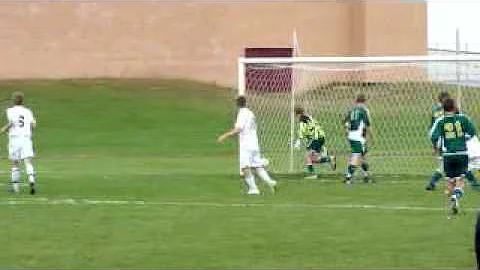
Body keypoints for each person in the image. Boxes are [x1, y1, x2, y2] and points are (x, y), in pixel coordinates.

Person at [217, 96, 277, 195]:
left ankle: (254, 189)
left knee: (245, 167)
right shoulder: (250, 113)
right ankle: (270, 182)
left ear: (237, 104)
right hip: (254, 143)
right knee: (257, 165)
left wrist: (225, 135)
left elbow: (239, 129)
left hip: (246, 145)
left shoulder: (242, 114)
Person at [430, 98, 477, 215]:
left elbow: (433, 136)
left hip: (448, 155)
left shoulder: (440, 121)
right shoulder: (463, 118)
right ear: (454, 107)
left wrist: (436, 148)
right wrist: (463, 139)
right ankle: (455, 198)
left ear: (444, 109)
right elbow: (472, 132)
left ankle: (454, 201)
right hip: (462, 154)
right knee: (460, 180)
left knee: (450, 182)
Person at [1, 91, 37, 195]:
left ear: (13, 100)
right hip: (26, 138)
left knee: (15, 162)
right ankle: (31, 180)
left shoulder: (10, 111)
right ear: (22, 101)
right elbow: (33, 125)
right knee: (28, 161)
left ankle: (16, 189)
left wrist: (3, 130)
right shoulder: (28, 111)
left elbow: (11, 123)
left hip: (14, 139)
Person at [293, 106, 336, 179]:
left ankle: (312, 174)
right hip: (321, 136)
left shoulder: (302, 120)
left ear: (297, 114)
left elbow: (302, 132)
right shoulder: (309, 117)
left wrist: (298, 141)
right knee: (314, 159)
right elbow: (311, 129)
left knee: (308, 156)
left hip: (316, 138)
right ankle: (329, 159)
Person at [343, 93, 372, 184]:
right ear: (364, 101)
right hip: (358, 137)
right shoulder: (364, 111)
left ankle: (366, 175)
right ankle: (348, 176)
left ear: (356, 101)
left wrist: (347, 134)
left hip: (352, 136)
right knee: (357, 155)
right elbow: (367, 125)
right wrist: (372, 137)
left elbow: (346, 124)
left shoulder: (351, 111)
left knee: (363, 155)